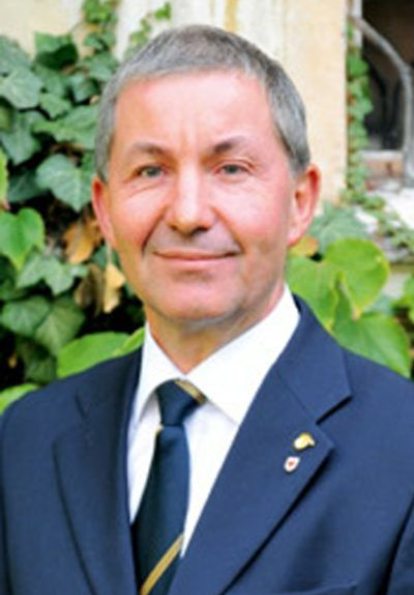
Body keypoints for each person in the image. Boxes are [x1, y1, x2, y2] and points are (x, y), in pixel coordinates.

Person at [1, 24, 414, 595]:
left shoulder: (402, 447)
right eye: (151, 171)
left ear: (300, 203)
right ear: (105, 211)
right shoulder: (26, 441)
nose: (189, 213)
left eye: (231, 169)